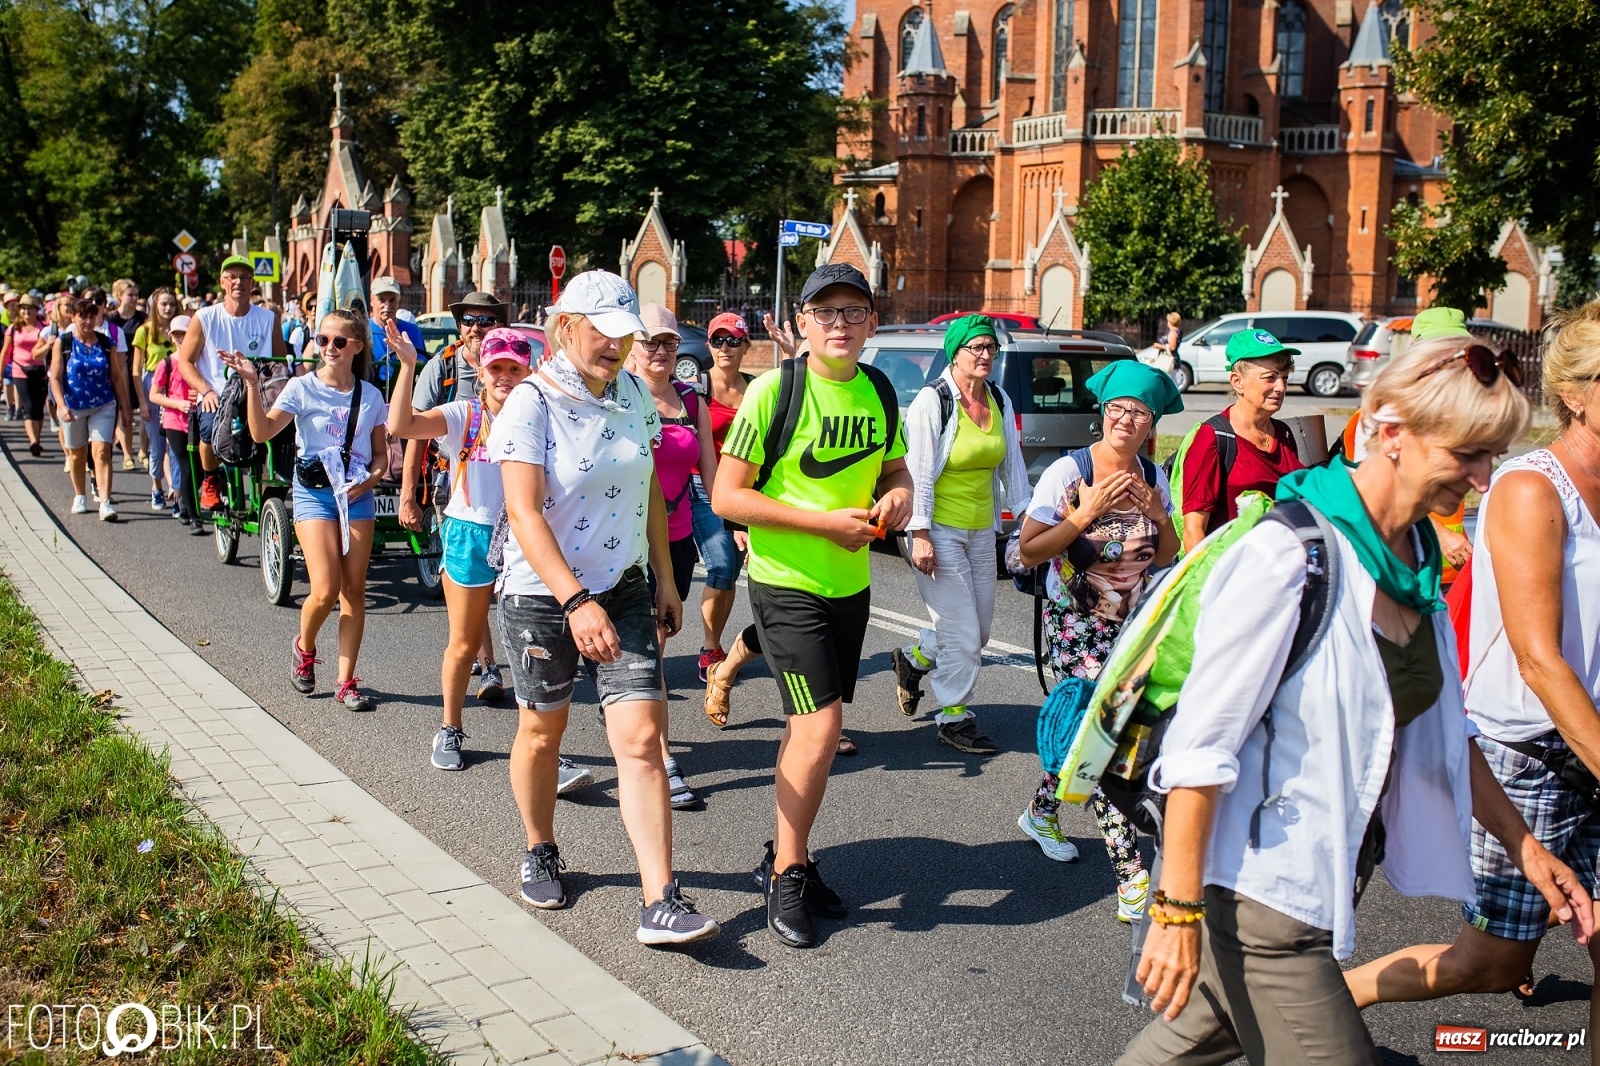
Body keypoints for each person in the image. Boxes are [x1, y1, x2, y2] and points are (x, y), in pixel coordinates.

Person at [1120, 333, 1595, 1066]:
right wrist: (1176, 911)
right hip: (1260, 888)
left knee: (1194, 1040)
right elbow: (1200, 750)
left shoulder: (1415, 556)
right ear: (1393, 432)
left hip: (1331, 871)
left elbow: (1445, 730)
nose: (1482, 478)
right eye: (1468, 454)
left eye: (1493, 455)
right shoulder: (1289, 555)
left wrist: (1525, 847)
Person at [1342, 303, 1600, 1026]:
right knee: (1490, 965)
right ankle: (1330, 1002)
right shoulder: (1532, 489)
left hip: (1591, 739)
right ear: (1575, 394)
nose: (1481, 476)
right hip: (1531, 757)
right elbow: (1539, 660)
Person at [489, 269, 719, 946]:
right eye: (604, 333)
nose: (617, 347)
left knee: (643, 740)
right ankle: (539, 846)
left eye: (626, 336)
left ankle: (660, 900)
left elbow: (647, 488)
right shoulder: (530, 403)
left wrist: (665, 578)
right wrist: (575, 600)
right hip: (543, 594)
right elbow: (523, 513)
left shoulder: (633, 394)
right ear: (567, 327)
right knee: (543, 732)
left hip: (623, 587)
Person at [712, 262, 912, 949]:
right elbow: (728, 496)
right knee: (822, 729)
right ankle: (787, 872)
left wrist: (899, 496)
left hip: (850, 587)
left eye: (853, 312)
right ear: (802, 323)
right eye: (826, 313)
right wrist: (823, 525)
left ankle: (786, 853)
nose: (840, 324)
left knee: (809, 734)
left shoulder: (879, 390)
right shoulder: (774, 390)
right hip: (785, 582)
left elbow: (895, 468)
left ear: (872, 323)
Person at [1014, 361, 1182, 921]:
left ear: (1151, 423)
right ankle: (1131, 875)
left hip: (1128, 629)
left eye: (1139, 413)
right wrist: (1084, 514)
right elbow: (1029, 551)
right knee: (1102, 742)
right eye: (1117, 409)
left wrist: (1157, 514)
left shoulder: (1152, 477)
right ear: (1102, 413)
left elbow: (1165, 557)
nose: (1126, 421)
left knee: (1090, 738)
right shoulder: (1069, 472)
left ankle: (1041, 813)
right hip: (1073, 625)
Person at [222, 309, 387, 712]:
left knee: (354, 591)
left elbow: (381, 457)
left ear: (356, 347)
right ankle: (304, 646)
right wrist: (251, 384)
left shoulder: (370, 395)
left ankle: (346, 681)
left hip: (356, 495)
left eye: (339, 341)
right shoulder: (301, 388)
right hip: (314, 494)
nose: (329, 347)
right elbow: (262, 432)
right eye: (322, 339)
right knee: (326, 589)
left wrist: (366, 483)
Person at [388, 323, 530, 771]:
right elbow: (402, 425)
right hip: (470, 532)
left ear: (527, 372)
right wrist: (408, 366)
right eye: (496, 368)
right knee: (464, 643)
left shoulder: (538, 415)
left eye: (514, 369)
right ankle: (449, 727)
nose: (505, 376)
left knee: (530, 644)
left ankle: (542, 744)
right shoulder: (463, 414)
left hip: (524, 535)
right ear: (480, 372)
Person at [894, 314, 1031, 755]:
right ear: (956, 352)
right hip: (937, 530)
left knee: (979, 631)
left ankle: (914, 660)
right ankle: (954, 717)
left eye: (991, 347)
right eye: (977, 347)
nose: (986, 355)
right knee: (964, 633)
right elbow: (917, 472)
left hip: (981, 532)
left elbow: (1012, 466)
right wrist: (919, 533)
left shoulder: (999, 399)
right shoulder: (932, 401)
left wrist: (1029, 520)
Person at [629, 303, 718, 809]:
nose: (660, 351)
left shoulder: (690, 400)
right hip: (626, 541)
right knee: (649, 652)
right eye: (650, 342)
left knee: (655, 645)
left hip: (677, 541)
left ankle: (633, 720)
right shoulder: (619, 395)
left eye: (668, 342)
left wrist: (737, 527)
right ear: (632, 346)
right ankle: (660, 756)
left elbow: (711, 474)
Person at [1336, 306, 1477, 585]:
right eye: (1442, 351)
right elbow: (1372, 497)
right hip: (1396, 569)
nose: (1453, 361)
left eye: (1460, 351)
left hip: (1447, 572)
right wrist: (1441, 536)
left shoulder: (1453, 413)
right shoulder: (1382, 413)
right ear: (1416, 352)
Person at [1173, 329, 1304, 552]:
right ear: (1237, 382)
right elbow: (1193, 531)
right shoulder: (1212, 437)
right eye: (1270, 377)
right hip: (1232, 568)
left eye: (1284, 377)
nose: (1281, 387)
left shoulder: (1284, 433)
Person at [176, 255, 285, 512]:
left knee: (284, 433)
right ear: (222, 282)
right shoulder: (205, 317)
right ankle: (211, 480)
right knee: (210, 428)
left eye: (245, 277)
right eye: (232, 277)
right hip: (217, 393)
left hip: (258, 394)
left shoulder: (268, 319)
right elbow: (185, 362)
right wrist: (206, 391)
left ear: (252, 283)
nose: (238, 282)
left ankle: (273, 491)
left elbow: (279, 362)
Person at [692, 312, 754, 686]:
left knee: (730, 572)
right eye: (718, 340)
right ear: (709, 345)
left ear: (746, 345)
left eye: (733, 340)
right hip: (703, 487)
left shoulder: (757, 389)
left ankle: (716, 644)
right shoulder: (697, 388)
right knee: (720, 563)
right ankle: (709, 647)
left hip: (745, 489)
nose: (725, 348)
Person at [48, 295, 133, 520]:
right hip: (73, 406)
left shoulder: (105, 343)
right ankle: (80, 495)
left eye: (91, 317)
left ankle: (105, 501)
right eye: (82, 317)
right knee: (77, 455)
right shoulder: (64, 342)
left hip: (103, 404)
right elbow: (55, 377)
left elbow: (116, 377)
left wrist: (125, 408)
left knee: (102, 451)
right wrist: (61, 406)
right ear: (73, 317)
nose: (87, 321)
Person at [147, 315, 200, 528]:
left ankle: (185, 504)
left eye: (184, 334)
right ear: (171, 336)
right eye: (176, 334)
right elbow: (154, 395)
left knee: (200, 466)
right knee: (186, 465)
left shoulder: (200, 360)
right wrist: (177, 404)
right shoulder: (166, 363)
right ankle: (193, 515)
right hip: (174, 421)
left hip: (198, 418)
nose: (181, 338)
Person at [133, 288, 181, 513]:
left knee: (176, 444)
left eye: (171, 304)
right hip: (153, 384)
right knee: (158, 445)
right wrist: (142, 402)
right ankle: (157, 486)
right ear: (155, 306)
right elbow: (136, 370)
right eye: (163, 304)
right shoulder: (144, 331)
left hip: (177, 385)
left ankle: (177, 492)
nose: (168, 308)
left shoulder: (180, 329)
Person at [106, 279, 147, 470]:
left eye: (136, 294)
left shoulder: (143, 318)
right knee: (124, 410)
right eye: (130, 294)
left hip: (139, 368)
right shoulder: (111, 320)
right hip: (119, 367)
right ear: (119, 296)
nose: (134, 298)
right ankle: (127, 454)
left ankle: (143, 449)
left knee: (145, 410)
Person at [1, 294, 48, 456]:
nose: (26, 312)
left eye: (30, 309)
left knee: (38, 409)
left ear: (36, 310)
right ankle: (33, 441)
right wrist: (0, 374)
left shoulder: (44, 327)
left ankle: (37, 438)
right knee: (28, 407)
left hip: (41, 372)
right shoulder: (14, 328)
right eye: (23, 309)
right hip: (20, 371)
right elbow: (5, 352)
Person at [369, 276, 427, 390]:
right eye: (381, 300)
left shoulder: (411, 330)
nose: (387, 305)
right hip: (371, 391)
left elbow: (421, 362)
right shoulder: (363, 330)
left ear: (398, 301)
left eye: (392, 300)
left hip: (404, 389)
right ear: (372, 301)